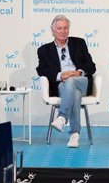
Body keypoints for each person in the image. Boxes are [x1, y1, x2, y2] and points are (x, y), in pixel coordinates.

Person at [37, 15, 97, 148]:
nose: (63, 31)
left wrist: (78, 73)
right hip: (62, 85)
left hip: (81, 81)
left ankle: (62, 117)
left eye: (65, 28)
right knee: (73, 92)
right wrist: (60, 75)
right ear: (52, 30)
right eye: (59, 28)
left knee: (72, 81)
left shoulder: (79, 43)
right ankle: (74, 135)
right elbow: (41, 70)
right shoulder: (44, 50)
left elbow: (91, 66)